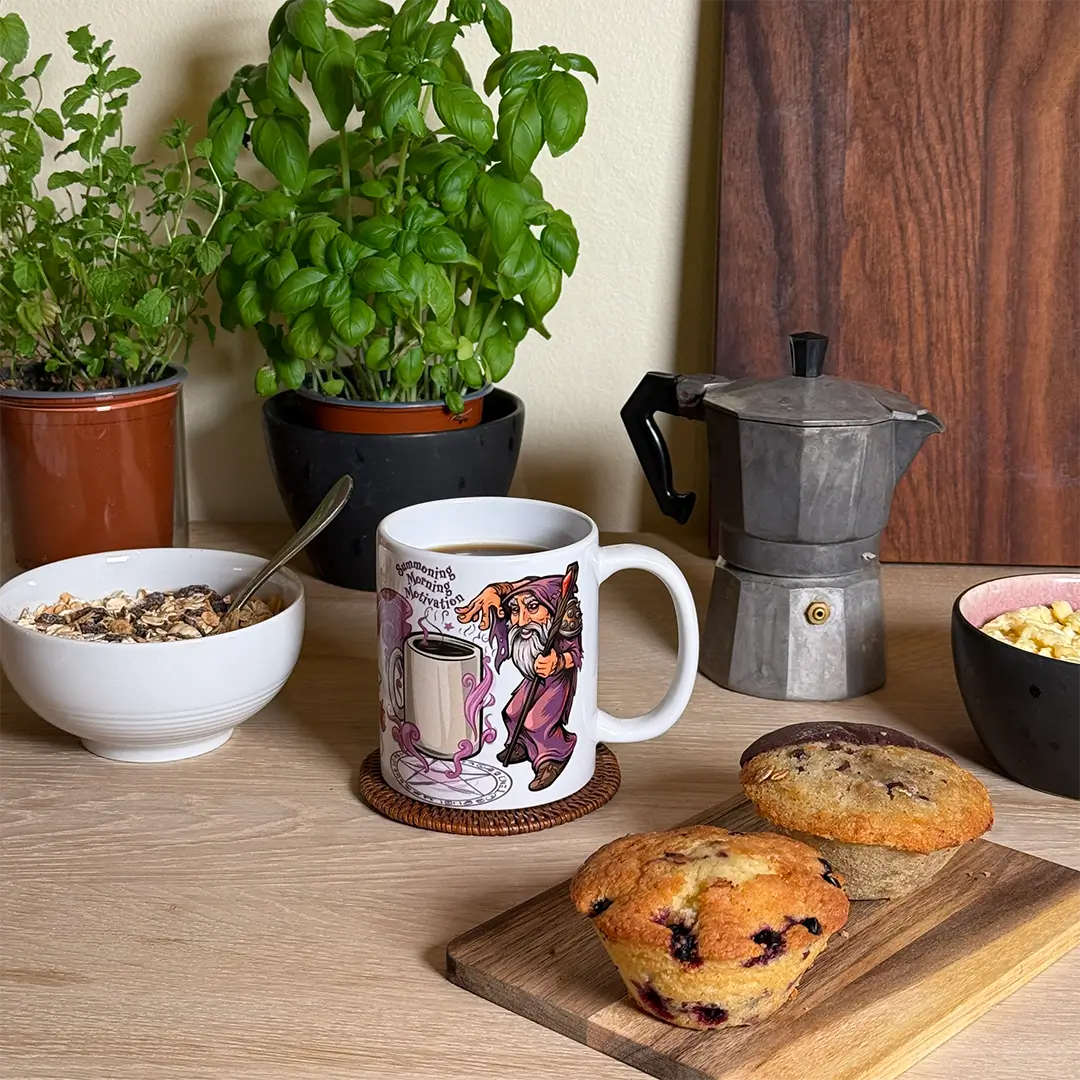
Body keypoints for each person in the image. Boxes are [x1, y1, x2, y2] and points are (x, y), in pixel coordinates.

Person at [456, 571, 582, 791]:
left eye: (533, 607)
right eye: (515, 610)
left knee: (535, 721)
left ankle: (552, 758)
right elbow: (528, 584)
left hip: (558, 680)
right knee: (513, 712)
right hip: (534, 677)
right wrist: (496, 590)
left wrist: (559, 661)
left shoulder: (565, 619)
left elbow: (576, 655)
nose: (522, 620)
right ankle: (524, 745)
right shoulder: (527, 619)